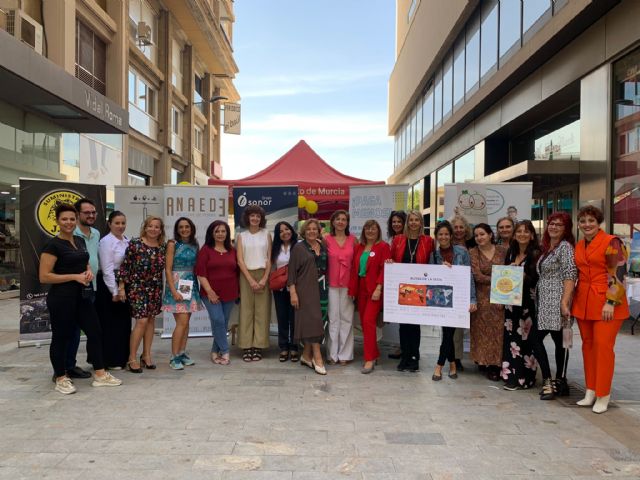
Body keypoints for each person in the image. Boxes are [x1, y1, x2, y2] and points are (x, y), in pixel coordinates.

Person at [39, 203, 122, 394]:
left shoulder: (79, 240)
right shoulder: (52, 245)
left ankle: (100, 375)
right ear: (58, 221)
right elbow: (45, 276)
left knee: (95, 332)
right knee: (61, 337)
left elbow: (84, 261)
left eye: (71, 219)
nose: (68, 222)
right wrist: (74, 277)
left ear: (76, 220)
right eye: (64, 219)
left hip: (83, 295)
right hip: (62, 298)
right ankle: (61, 377)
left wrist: (88, 272)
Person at [572, 205, 629, 414]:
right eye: (583, 221)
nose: (587, 225)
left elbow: (619, 272)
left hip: (607, 303)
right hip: (584, 302)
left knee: (603, 348)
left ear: (599, 223)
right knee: (587, 347)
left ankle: (603, 394)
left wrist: (611, 302)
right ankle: (591, 390)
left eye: (591, 221)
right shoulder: (579, 245)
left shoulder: (612, 241)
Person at [534, 212, 577, 400]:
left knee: (535, 339)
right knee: (560, 343)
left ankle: (548, 382)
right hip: (545, 302)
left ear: (566, 229)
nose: (554, 227)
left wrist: (564, 302)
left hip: (556, 301)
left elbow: (570, 274)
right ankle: (561, 381)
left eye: (559, 225)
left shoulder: (565, 247)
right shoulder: (549, 247)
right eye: (552, 223)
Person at [429, 220, 477, 380]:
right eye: (440, 234)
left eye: (446, 234)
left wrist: (472, 299)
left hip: (459, 298)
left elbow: (468, 276)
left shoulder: (462, 252)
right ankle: (452, 364)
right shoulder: (434, 256)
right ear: (436, 236)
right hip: (442, 300)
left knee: (448, 333)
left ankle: (439, 365)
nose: (443, 237)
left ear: (450, 236)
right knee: (448, 332)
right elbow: (431, 280)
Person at [118, 216, 166, 373]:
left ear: (161, 230)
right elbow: (125, 266)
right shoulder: (135, 244)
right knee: (142, 321)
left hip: (155, 288)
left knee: (151, 320)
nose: (153, 229)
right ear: (145, 228)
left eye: (157, 227)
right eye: (150, 226)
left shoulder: (162, 247)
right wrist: (121, 287)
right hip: (138, 288)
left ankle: (146, 355)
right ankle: (132, 357)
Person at [60, 198, 101, 380]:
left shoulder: (97, 233)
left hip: (89, 288)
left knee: (83, 330)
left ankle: (71, 365)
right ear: (77, 215)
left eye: (93, 212)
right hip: (70, 289)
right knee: (69, 330)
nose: (91, 215)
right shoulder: (70, 233)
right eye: (87, 213)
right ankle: (63, 369)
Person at [389, 210, 434, 372]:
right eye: (411, 220)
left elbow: (433, 263)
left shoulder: (428, 241)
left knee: (414, 325)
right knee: (403, 324)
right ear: (407, 223)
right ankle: (405, 356)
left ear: (421, 223)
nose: (413, 223)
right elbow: (392, 259)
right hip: (402, 288)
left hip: (420, 289)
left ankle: (414, 357)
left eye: (417, 220)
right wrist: (389, 261)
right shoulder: (398, 240)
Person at [348, 219, 391, 374]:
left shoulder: (383, 247)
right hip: (361, 290)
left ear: (378, 231)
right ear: (364, 231)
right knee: (366, 324)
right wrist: (352, 291)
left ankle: (369, 359)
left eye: (373, 229)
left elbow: (385, 268)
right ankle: (375, 353)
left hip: (375, 291)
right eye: (367, 228)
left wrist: (379, 288)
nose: (370, 231)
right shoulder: (359, 247)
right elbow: (354, 270)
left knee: (368, 321)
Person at [502, 220, 540, 391]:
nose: (522, 235)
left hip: (527, 304)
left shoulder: (536, 254)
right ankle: (511, 376)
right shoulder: (511, 252)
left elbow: (537, 279)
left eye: (526, 232)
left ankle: (525, 378)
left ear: (532, 235)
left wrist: (523, 276)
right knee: (511, 340)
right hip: (511, 303)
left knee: (526, 341)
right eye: (519, 232)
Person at [288, 219, 328, 375]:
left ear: (319, 231)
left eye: (315, 229)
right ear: (304, 232)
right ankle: (318, 358)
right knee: (313, 322)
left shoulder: (322, 245)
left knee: (320, 321)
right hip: (305, 290)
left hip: (323, 288)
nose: (312, 231)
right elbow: (291, 272)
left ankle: (305, 356)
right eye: (309, 229)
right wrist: (293, 292)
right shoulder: (298, 248)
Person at [196, 220, 239, 366]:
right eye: (217, 231)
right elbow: (201, 273)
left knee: (222, 322)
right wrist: (210, 292)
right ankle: (225, 351)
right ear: (212, 233)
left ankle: (215, 351)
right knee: (218, 319)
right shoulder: (205, 250)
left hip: (230, 292)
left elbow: (237, 271)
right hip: (210, 293)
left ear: (227, 233)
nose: (220, 234)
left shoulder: (233, 250)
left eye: (223, 231)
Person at [162, 217, 202, 370]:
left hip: (190, 284)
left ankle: (182, 353)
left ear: (191, 228)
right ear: (177, 230)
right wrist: (173, 290)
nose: (184, 229)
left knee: (186, 323)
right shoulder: (172, 244)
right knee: (182, 322)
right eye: (181, 227)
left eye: (187, 227)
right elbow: (168, 268)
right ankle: (174, 356)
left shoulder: (194, 244)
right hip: (177, 283)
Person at [469, 223, 507, 381]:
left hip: (501, 297)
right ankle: (482, 361)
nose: (479, 238)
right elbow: (477, 276)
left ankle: (495, 364)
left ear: (491, 235)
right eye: (476, 235)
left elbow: (509, 273)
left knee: (498, 333)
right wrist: (499, 280)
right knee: (481, 331)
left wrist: (501, 285)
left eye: (482, 234)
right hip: (481, 298)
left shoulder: (503, 251)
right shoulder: (473, 252)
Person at [236, 205, 272, 362]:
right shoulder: (241, 236)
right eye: (252, 216)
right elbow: (240, 260)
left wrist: (264, 279)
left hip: (264, 274)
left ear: (261, 218)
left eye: (258, 216)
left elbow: (269, 258)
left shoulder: (267, 234)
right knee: (246, 311)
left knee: (262, 312)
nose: (255, 218)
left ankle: (258, 345)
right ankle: (246, 346)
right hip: (246, 275)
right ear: (247, 218)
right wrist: (250, 280)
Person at [97, 211, 130, 370]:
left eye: (123, 223)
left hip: (125, 285)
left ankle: (121, 358)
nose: (120, 226)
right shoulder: (106, 242)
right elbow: (107, 269)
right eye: (117, 223)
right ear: (110, 224)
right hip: (110, 286)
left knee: (123, 323)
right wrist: (115, 291)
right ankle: (109, 359)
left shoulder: (127, 240)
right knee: (110, 324)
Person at [325, 210, 357, 365]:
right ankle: (332, 353)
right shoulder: (326, 239)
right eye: (337, 219)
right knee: (333, 319)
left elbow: (357, 264)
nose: (340, 222)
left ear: (347, 222)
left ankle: (345, 354)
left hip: (348, 285)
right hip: (331, 284)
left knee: (347, 319)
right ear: (333, 222)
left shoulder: (353, 240)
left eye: (344, 219)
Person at [270, 221, 299, 363]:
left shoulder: (299, 245)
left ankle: (294, 346)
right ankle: (283, 347)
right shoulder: (275, 248)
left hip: (296, 288)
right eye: (281, 231)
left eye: (287, 229)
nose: (285, 233)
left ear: (291, 230)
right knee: (282, 318)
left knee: (294, 318)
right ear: (278, 235)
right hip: (280, 288)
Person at [449, 213, 475, 371]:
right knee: (456, 329)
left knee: (477, 326)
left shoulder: (473, 245)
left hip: (474, 289)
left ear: (466, 230)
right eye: (455, 227)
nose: (458, 230)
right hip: (455, 292)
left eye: (461, 227)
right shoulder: (447, 245)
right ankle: (456, 358)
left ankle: (480, 358)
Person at [386, 210, 407, 360]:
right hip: (394, 282)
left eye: (399, 221)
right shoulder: (390, 239)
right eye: (394, 222)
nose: (396, 224)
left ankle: (406, 348)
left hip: (407, 281)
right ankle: (402, 346)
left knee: (407, 319)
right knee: (400, 317)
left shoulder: (407, 239)